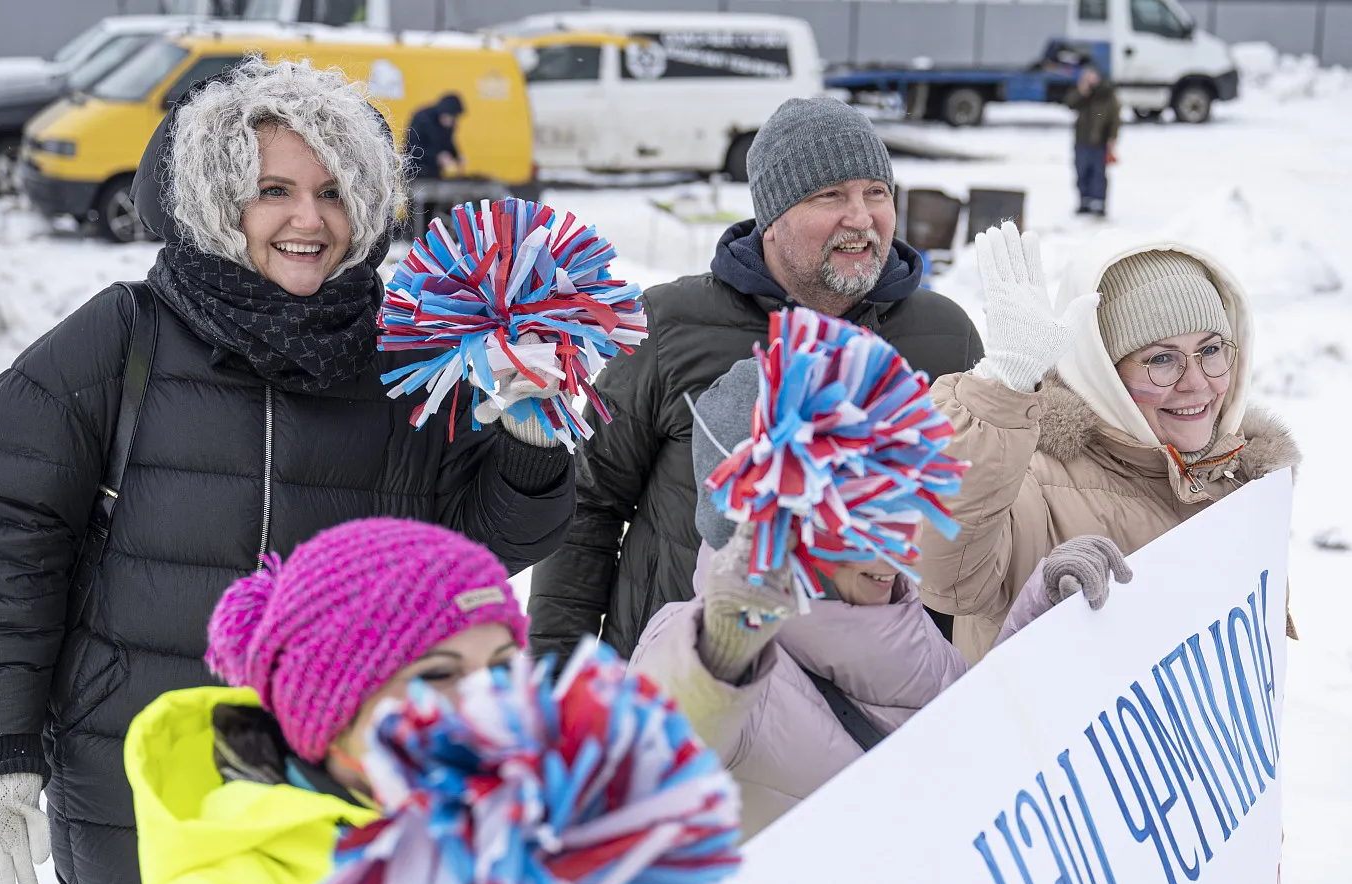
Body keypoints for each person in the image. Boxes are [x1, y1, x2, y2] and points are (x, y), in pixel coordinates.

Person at [0, 59, 574, 884]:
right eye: (274, 190)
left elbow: (475, 552)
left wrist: (529, 444)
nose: (308, 219)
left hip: (355, 796)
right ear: (218, 199)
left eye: (333, 192)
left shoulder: (406, 361)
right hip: (152, 798)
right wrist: (4, 753)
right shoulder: (124, 338)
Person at [527, 97, 984, 661]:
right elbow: (588, 506)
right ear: (772, 220)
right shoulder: (672, 325)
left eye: (876, 192)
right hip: (688, 680)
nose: (861, 217)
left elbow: (973, 524)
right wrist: (560, 675)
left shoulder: (946, 336)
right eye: (830, 195)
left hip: (883, 692)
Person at [629, 356, 1117, 838]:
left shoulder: (893, 619)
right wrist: (717, 658)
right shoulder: (700, 650)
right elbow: (644, 773)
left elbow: (972, 746)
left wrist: (1046, 618)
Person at [100, 517, 528, 884]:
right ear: (334, 720)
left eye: (502, 668)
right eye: (437, 675)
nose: (486, 701)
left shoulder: (528, 851)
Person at [920, 223, 1300, 662]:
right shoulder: (1030, 480)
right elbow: (948, 573)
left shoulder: (1236, 477)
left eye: (1211, 350)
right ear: (1102, 372)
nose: (1197, 383)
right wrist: (1000, 395)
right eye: (1162, 359)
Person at [1065, 61, 1121, 217]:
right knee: (1082, 172)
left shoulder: (1107, 94)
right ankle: (1085, 201)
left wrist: (1113, 138)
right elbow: (1070, 104)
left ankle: (1099, 203)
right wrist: (1082, 91)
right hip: (1082, 140)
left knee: (1098, 174)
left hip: (1100, 141)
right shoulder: (1082, 92)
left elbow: (1115, 118)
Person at [405, 92, 465, 180]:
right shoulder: (421, 118)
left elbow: (448, 143)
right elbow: (412, 147)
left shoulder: (448, 123)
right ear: (443, 113)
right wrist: (436, 157)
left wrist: (457, 156)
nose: (452, 122)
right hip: (415, 171)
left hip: (434, 173)